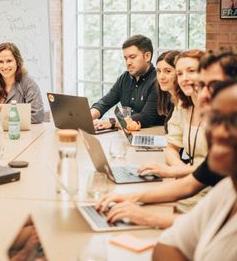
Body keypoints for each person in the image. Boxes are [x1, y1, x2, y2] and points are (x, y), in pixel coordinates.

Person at [95, 49, 237, 229]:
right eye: (201, 86)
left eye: (214, 85)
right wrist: (130, 197)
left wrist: (147, 217)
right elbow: (191, 185)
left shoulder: (226, 142)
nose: (203, 95)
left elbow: (210, 224)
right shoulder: (219, 136)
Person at [153, 80, 237, 261]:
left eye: (234, 121)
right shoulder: (227, 190)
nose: (219, 132)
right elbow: (169, 244)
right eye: (215, 119)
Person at [139, 50, 207, 179]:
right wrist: (180, 169)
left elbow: (218, 168)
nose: (184, 78)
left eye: (191, 71)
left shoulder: (222, 110)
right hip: (192, 179)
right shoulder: (182, 106)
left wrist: (174, 172)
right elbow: (171, 148)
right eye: (180, 73)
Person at [91, 35, 163, 130]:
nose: (128, 62)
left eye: (132, 57)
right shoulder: (125, 78)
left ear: (147, 56)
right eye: (126, 58)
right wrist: (87, 117)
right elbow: (105, 102)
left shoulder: (158, 81)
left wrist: (111, 122)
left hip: (151, 134)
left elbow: (146, 117)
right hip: (128, 133)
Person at [0, 42, 44, 124]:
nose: (5, 66)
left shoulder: (29, 84)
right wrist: (9, 119)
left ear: (17, 62)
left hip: (20, 134)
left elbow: (38, 115)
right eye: (1, 62)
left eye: (9, 61)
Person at [155, 50, 180, 133]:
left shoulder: (185, 103)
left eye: (167, 71)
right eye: (159, 71)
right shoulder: (171, 99)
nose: (161, 77)